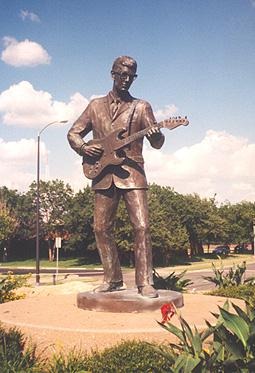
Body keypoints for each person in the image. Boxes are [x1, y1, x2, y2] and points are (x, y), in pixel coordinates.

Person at [67, 56, 164, 298]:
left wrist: (155, 135)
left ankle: (145, 282)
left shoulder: (142, 107)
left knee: (142, 227)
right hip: (101, 172)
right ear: (112, 74)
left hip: (132, 174)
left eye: (131, 76)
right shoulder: (95, 105)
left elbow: (159, 143)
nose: (126, 79)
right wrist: (83, 148)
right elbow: (74, 133)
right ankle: (112, 279)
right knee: (101, 228)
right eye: (122, 74)